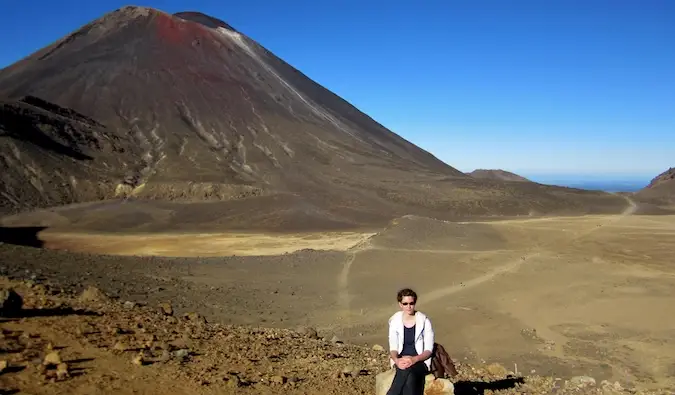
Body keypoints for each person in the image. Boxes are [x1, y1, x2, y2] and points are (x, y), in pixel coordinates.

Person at [386, 288, 434, 395]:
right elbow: (393, 348)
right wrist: (397, 360)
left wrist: (414, 359)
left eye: (411, 303)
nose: (409, 306)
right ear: (400, 304)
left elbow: (428, 350)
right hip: (401, 360)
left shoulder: (424, 321)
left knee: (407, 372)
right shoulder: (394, 321)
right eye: (405, 303)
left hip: (420, 361)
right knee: (409, 376)